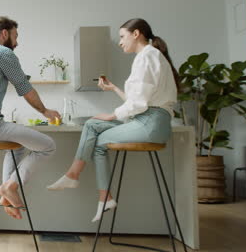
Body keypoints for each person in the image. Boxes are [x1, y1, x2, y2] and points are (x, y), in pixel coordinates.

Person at [47, 18, 179, 222]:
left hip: (150, 123)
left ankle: (77, 178)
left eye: (122, 36)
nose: (120, 42)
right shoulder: (151, 56)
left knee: (97, 139)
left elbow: (140, 104)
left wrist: (111, 115)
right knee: (92, 125)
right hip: (148, 121)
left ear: (136, 34)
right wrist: (115, 89)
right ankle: (101, 196)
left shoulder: (146, 56)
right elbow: (140, 100)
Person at [0, 16, 61, 220]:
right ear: (4, 33)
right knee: (48, 146)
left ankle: (7, 192)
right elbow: (25, 88)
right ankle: (9, 187)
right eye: (15, 36)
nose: (17, 42)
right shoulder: (3, 52)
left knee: (17, 146)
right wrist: (46, 112)